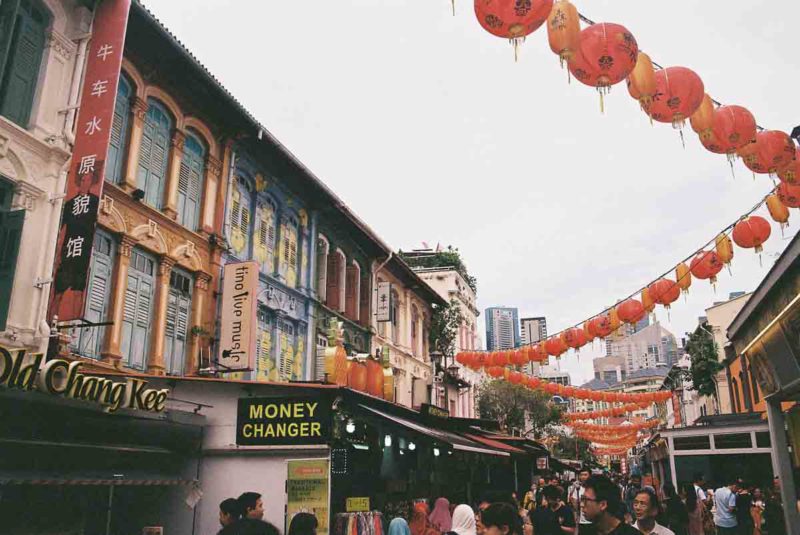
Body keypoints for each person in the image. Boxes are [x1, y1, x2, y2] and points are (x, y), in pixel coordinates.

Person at [569, 468, 593, 535]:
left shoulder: (595, 488)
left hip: (594, 521)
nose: (583, 477)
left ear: (590, 476)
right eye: (581, 475)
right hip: (582, 521)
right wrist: (574, 488)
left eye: (585, 475)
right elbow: (575, 507)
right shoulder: (578, 489)